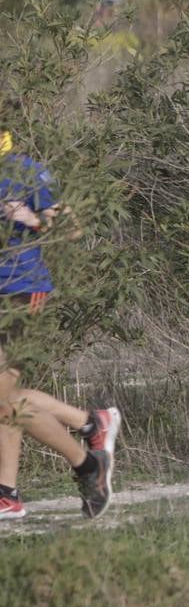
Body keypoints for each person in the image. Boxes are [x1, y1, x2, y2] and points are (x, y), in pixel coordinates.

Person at [0, 129, 119, 520]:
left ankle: (87, 464)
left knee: (2, 399)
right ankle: (86, 424)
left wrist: (31, 219)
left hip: (22, 293)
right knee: (7, 400)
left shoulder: (24, 172)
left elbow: (71, 229)